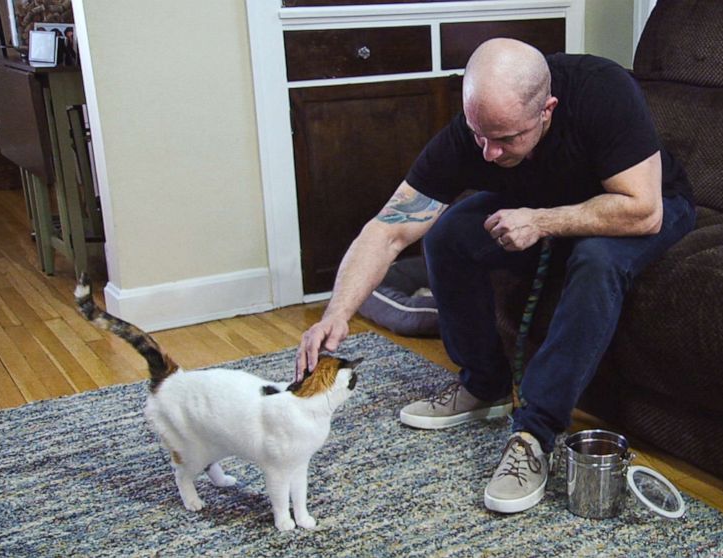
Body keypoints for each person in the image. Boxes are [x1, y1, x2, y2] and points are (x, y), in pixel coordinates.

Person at [296, 38, 695, 514]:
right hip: (547, 201)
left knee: (596, 260)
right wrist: (336, 314)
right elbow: (388, 229)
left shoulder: (602, 92)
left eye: (506, 139)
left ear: (548, 110)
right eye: (479, 134)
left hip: (641, 205)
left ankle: (536, 432)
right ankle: (483, 385)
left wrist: (542, 221)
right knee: (447, 234)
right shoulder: (479, 132)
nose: (487, 152)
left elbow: (642, 210)